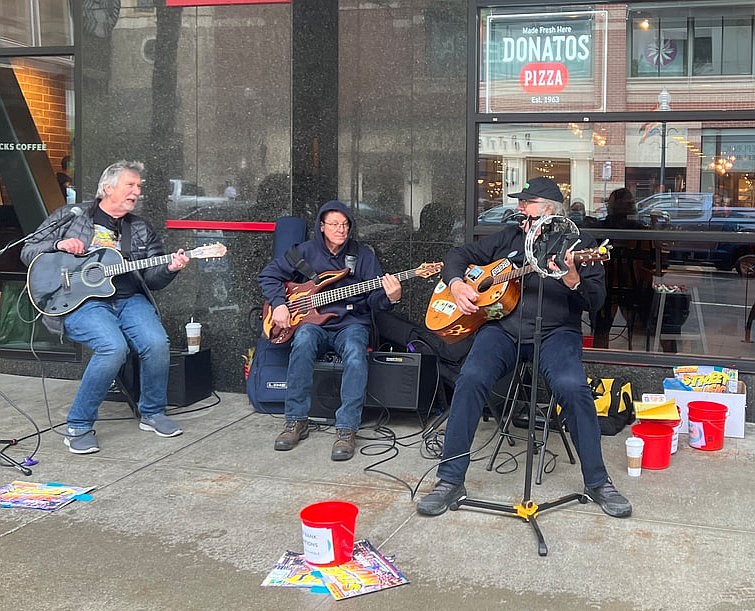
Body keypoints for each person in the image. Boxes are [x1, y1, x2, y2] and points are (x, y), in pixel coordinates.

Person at [416, 176, 632, 518]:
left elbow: (596, 302)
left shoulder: (581, 244)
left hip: (556, 333)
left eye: (526, 207)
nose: (520, 211)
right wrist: (457, 284)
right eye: (522, 207)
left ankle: (598, 482)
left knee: (572, 388)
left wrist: (573, 281)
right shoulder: (511, 238)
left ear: (548, 212)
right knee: (470, 378)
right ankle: (449, 480)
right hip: (504, 329)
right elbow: (457, 255)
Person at [20, 160, 189, 454]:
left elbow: (152, 278)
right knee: (113, 347)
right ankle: (78, 426)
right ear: (108, 188)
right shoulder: (71, 217)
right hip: (82, 301)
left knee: (156, 342)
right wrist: (58, 246)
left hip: (128, 299)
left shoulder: (139, 228)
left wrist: (171, 268)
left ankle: (152, 413)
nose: (137, 191)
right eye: (131, 185)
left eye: (139, 186)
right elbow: (28, 250)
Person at [258, 200, 401, 461]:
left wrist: (391, 297)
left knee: (357, 355)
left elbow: (374, 300)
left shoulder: (362, 255)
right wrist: (279, 305)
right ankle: (295, 421)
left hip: (351, 324)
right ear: (322, 226)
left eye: (345, 224)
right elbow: (268, 275)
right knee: (302, 343)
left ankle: (346, 429)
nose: (341, 229)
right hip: (312, 323)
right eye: (335, 224)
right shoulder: (304, 251)